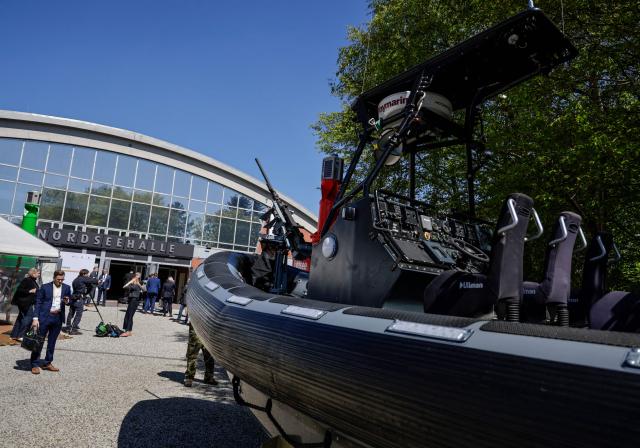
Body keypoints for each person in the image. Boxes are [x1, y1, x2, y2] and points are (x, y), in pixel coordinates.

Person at [30, 270, 71, 374]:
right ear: (54, 278)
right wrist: (35, 318)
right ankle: (34, 364)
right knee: (39, 341)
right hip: (45, 317)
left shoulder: (66, 287)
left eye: (62, 279)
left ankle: (47, 363)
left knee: (52, 342)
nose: (60, 281)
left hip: (57, 318)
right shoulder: (45, 287)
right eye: (58, 279)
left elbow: (69, 300)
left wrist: (67, 301)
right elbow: (38, 302)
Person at [10, 268, 40, 341]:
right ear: (33, 274)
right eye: (38, 273)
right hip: (24, 303)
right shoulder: (27, 280)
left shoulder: (32, 281)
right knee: (28, 319)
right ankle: (21, 335)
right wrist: (30, 291)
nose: (39, 275)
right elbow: (20, 290)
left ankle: (14, 335)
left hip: (26, 303)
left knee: (20, 319)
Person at [66, 269, 98, 335]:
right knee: (78, 314)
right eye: (87, 274)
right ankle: (73, 330)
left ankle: (68, 327)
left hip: (73, 297)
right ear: (84, 274)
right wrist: (98, 281)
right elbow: (93, 280)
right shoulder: (82, 279)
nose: (88, 276)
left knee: (71, 313)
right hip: (79, 298)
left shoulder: (76, 279)